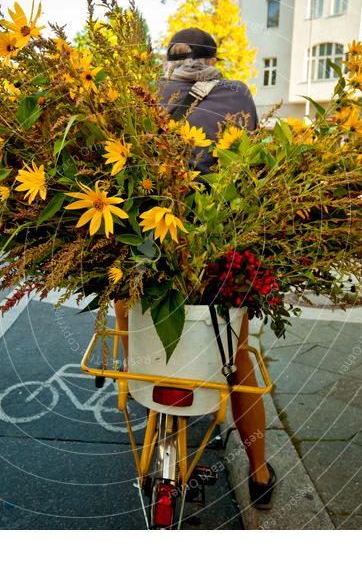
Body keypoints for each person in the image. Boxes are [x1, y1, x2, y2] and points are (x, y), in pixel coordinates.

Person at [114, 28, 276, 510]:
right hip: (217, 246)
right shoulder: (239, 94)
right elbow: (248, 163)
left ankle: (128, 368)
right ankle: (261, 473)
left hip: (147, 238)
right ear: (214, 59)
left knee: (124, 293)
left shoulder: (142, 97)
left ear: (168, 62)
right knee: (238, 355)